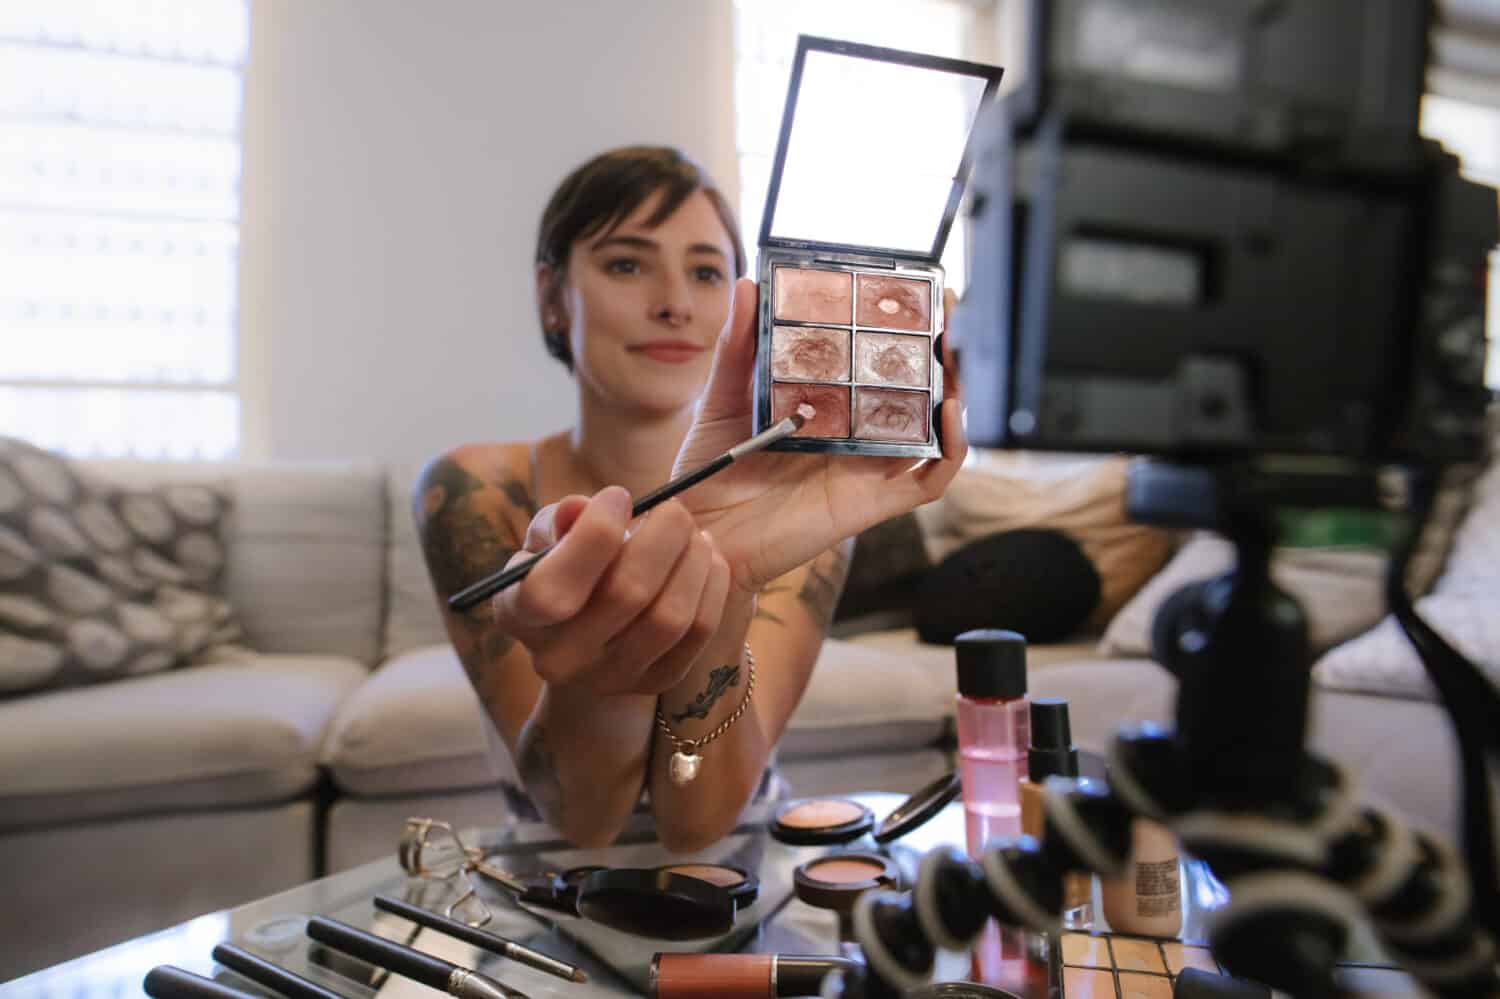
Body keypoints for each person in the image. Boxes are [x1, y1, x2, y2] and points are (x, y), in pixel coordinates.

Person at [413, 146, 964, 853]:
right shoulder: (472, 490)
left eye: (707, 272)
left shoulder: (796, 509)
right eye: (626, 263)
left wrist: (724, 575)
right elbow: (580, 817)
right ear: (553, 296)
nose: (674, 303)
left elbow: (700, 822)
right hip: (549, 877)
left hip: (739, 868)